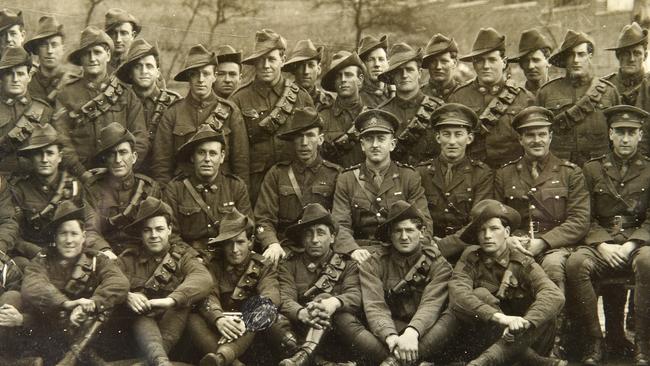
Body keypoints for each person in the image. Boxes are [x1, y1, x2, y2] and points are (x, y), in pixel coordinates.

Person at [566, 105, 650, 366]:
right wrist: (601, 244)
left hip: (638, 243)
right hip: (600, 242)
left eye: (631, 132)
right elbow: (584, 214)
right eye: (620, 132)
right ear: (610, 134)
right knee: (576, 263)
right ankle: (594, 341)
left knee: (648, 262)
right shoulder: (591, 170)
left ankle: (643, 344)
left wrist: (632, 243)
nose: (625, 138)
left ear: (640, 135)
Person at [449, 200, 566, 366]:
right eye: (482, 230)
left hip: (524, 337)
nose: (487, 235)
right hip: (488, 338)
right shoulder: (470, 257)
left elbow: (553, 294)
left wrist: (523, 324)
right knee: (479, 294)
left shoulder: (521, 259)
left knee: (546, 309)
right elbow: (458, 293)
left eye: (494, 228)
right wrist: (501, 319)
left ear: (507, 232)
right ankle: (534, 361)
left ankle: (483, 362)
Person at [21, 200, 129, 364]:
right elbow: (32, 285)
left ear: (83, 236)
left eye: (74, 233)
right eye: (63, 234)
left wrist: (93, 303)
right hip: (50, 335)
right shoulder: (43, 260)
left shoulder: (97, 260)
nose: (69, 240)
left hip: (90, 335)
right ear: (55, 237)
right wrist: (66, 304)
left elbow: (118, 282)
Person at [118, 196, 213, 366]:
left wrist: (170, 300)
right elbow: (107, 281)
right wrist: (127, 295)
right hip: (134, 337)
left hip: (174, 334)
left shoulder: (182, 256)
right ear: (141, 233)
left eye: (159, 229)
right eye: (147, 230)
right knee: (142, 312)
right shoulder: (128, 258)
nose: (154, 235)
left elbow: (203, 278)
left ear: (169, 230)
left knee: (182, 304)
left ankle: (156, 362)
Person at [358, 200, 453, 365]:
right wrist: (390, 336)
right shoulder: (374, 263)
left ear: (422, 232)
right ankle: (406, 360)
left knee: (453, 314)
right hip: (389, 334)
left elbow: (431, 305)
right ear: (390, 234)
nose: (404, 237)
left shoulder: (438, 264)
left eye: (409, 230)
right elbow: (375, 306)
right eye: (397, 231)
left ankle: (395, 361)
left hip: (424, 333)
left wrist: (412, 332)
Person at [331, 109, 432, 263]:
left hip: (400, 253)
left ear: (392, 144)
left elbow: (423, 222)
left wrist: (413, 252)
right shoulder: (347, 179)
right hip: (361, 254)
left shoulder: (408, 177)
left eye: (381, 139)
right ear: (362, 145)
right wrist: (352, 250)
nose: (375, 145)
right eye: (369, 139)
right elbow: (340, 224)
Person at [186, 208, 283, 366]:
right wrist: (218, 319)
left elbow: (271, 295)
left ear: (250, 241)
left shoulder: (263, 266)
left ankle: (222, 359)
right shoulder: (213, 265)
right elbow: (208, 295)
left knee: (261, 313)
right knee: (192, 318)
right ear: (222, 245)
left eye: (240, 242)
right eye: (229, 244)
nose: (235, 250)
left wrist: (248, 320)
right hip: (220, 328)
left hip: (249, 332)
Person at [53, 26, 149, 181]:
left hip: (118, 177)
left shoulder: (125, 93)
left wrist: (121, 170)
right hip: (79, 177)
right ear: (81, 59)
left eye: (97, 52)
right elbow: (61, 139)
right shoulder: (66, 94)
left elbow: (140, 138)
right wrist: (81, 172)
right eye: (87, 54)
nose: (92, 58)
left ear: (108, 55)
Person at [230, 29, 314, 203]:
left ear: (283, 60)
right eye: (260, 60)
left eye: (271, 59)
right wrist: (243, 195)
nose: (266, 65)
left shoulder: (301, 97)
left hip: (294, 183)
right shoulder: (239, 99)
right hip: (256, 187)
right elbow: (238, 156)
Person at [11, 124, 112, 263]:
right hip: (34, 257)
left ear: (60, 157)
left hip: (70, 254)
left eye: (50, 153)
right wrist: (36, 252)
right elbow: (13, 233)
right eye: (38, 154)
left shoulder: (74, 187)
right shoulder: (19, 190)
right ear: (31, 158)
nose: (44, 159)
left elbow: (89, 224)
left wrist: (103, 249)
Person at [151, 44, 249, 183]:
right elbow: (162, 165)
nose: (201, 79)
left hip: (222, 192)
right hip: (183, 193)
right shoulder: (173, 113)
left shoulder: (231, 111)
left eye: (206, 73)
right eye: (194, 74)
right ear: (188, 78)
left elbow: (241, 164)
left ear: (214, 76)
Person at [255, 107, 340, 266]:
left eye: (310, 135)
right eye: (299, 137)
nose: (304, 143)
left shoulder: (335, 174)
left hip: (322, 251)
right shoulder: (277, 173)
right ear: (293, 141)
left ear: (320, 140)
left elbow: (339, 220)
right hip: (286, 249)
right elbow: (264, 218)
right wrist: (271, 243)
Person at [278, 203, 361, 366]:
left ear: (332, 237)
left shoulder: (348, 264)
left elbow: (355, 295)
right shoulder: (289, 264)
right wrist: (302, 313)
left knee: (324, 299)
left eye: (321, 233)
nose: (314, 240)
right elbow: (285, 298)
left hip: (336, 335)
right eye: (309, 234)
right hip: (301, 330)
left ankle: (311, 358)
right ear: (302, 238)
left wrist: (332, 303)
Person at [164, 125, 252, 261]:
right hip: (190, 259)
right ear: (193, 157)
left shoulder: (235, 187)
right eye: (201, 152)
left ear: (222, 157)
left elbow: (247, 230)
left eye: (213, 153)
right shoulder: (176, 189)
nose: (207, 159)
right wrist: (193, 257)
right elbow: (171, 235)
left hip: (227, 258)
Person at [449, 27, 533, 169]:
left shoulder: (524, 98)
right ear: (474, 65)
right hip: (472, 175)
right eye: (480, 61)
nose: (486, 66)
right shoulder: (458, 98)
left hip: (513, 174)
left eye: (492, 60)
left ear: (504, 62)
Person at [537, 29, 620, 166]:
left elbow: (617, 135)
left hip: (600, 171)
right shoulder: (546, 93)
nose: (576, 60)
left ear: (590, 56)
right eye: (571, 55)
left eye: (581, 54)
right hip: (560, 171)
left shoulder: (609, 92)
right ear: (565, 59)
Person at [416, 103, 492, 246]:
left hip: (466, 246)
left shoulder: (481, 174)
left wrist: (444, 246)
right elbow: (417, 218)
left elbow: (478, 220)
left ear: (469, 138)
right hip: (427, 245)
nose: (452, 141)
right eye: (446, 134)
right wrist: (428, 243)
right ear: (438, 138)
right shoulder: (421, 172)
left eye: (458, 134)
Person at [84, 123, 162, 254]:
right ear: (105, 159)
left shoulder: (149, 188)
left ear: (134, 157)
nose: (118, 160)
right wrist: (104, 250)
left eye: (123, 152)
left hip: (141, 256)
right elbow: (90, 230)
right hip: (105, 256)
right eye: (111, 154)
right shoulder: (92, 189)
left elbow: (157, 230)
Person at [114, 38, 182, 174]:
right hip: (126, 173)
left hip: (164, 173)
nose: (144, 71)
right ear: (130, 73)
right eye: (138, 66)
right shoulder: (119, 102)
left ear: (158, 72)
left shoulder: (173, 102)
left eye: (149, 66)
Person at [378, 42, 444, 165]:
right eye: (398, 71)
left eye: (409, 69)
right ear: (392, 77)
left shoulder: (439, 109)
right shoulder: (381, 113)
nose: (404, 75)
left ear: (419, 73)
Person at [0, 46, 53, 176]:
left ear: (29, 76)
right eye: (9, 74)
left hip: (32, 182)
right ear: (1, 78)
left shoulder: (44, 110)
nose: (15, 79)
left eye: (20, 73)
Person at [319, 50, 366, 168]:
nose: (343, 79)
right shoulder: (322, 117)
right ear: (334, 83)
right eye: (339, 76)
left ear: (360, 80)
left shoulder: (371, 115)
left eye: (348, 75)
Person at [24, 16, 78, 107]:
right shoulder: (27, 83)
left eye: (54, 45)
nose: (49, 51)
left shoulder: (73, 81)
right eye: (44, 45)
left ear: (63, 49)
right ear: (37, 50)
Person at [282, 39, 334, 111]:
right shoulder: (282, 98)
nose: (306, 71)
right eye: (301, 66)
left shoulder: (328, 102)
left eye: (311, 65)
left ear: (318, 69)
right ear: (293, 70)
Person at [604, 22, 648, 106]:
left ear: (645, 56)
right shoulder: (605, 87)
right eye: (626, 54)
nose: (631, 59)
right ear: (618, 56)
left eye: (637, 53)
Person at [508, 29, 553, 95]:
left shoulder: (560, 91)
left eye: (536, 60)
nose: (530, 66)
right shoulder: (515, 96)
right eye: (525, 61)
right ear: (521, 65)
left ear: (549, 62)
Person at [420, 33, 461, 101]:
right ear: (428, 64)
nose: (438, 67)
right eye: (433, 61)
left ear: (454, 63)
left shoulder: (466, 94)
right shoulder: (418, 95)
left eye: (444, 61)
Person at [358, 34, 394, 108]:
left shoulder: (396, 92)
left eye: (381, 59)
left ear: (388, 64)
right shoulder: (357, 98)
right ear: (363, 65)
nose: (377, 64)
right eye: (370, 60)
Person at [104, 8, 141, 73]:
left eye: (123, 33)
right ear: (107, 36)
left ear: (133, 35)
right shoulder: (99, 65)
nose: (118, 40)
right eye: (113, 33)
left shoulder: (142, 65)